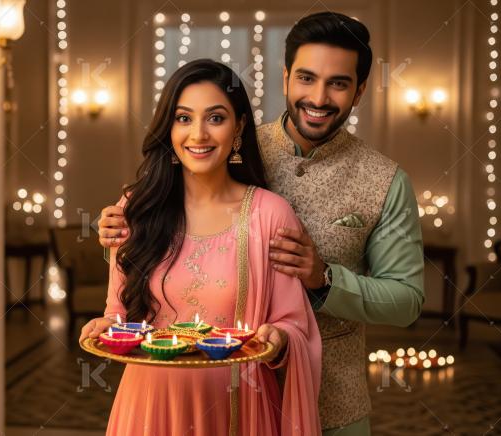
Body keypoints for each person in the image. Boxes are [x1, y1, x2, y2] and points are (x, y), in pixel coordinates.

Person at [95, 12, 424, 436]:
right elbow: (163, 220)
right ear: (286, 77)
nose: (319, 97)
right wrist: (123, 225)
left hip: (333, 404)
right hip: (198, 400)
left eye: (338, 83)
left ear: (359, 91)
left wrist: (324, 281)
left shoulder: (385, 181)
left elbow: (407, 300)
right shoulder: (226, 142)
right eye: (306, 78)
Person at [78, 59, 322, 435]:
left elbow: (294, 324)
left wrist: (280, 337)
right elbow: (121, 312)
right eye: (184, 118)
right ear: (169, 127)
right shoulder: (136, 209)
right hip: (149, 406)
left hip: (239, 408)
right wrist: (108, 326)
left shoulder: (269, 216)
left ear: (239, 126)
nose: (198, 134)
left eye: (216, 118)